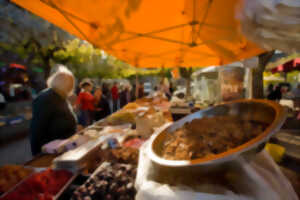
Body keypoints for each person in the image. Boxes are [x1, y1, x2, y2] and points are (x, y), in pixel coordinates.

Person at [30, 65, 77, 155]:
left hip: (62, 148)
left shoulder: (60, 96)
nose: (71, 88)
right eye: (70, 85)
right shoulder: (46, 98)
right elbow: (36, 129)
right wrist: (37, 155)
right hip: (51, 151)